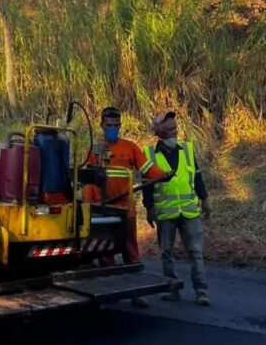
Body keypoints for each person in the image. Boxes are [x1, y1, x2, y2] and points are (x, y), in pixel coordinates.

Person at [83, 106, 166, 308]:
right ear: (102, 125)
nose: (113, 128)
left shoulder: (130, 147)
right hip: (102, 208)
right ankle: (109, 293)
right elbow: (88, 179)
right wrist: (88, 206)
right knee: (104, 251)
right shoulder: (96, 150)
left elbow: (147, 168)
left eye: (116, 125)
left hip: (125, 208)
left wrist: (162, 174)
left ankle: (136, 293)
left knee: (130, 249)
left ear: (120, 126)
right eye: (109, 125)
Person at [143, 112, 211, 306]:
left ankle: (201, 291)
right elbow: (147, 185)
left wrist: (205, 200)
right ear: (159, 132)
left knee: (195, 253)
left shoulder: (187, 150)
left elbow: (197, 177)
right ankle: (172, 289)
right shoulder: (150, 154)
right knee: (166, 252)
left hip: (189, 212)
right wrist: (149, 208)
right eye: (170, 128)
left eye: (175, 128)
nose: (175, 131)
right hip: (165, 213)